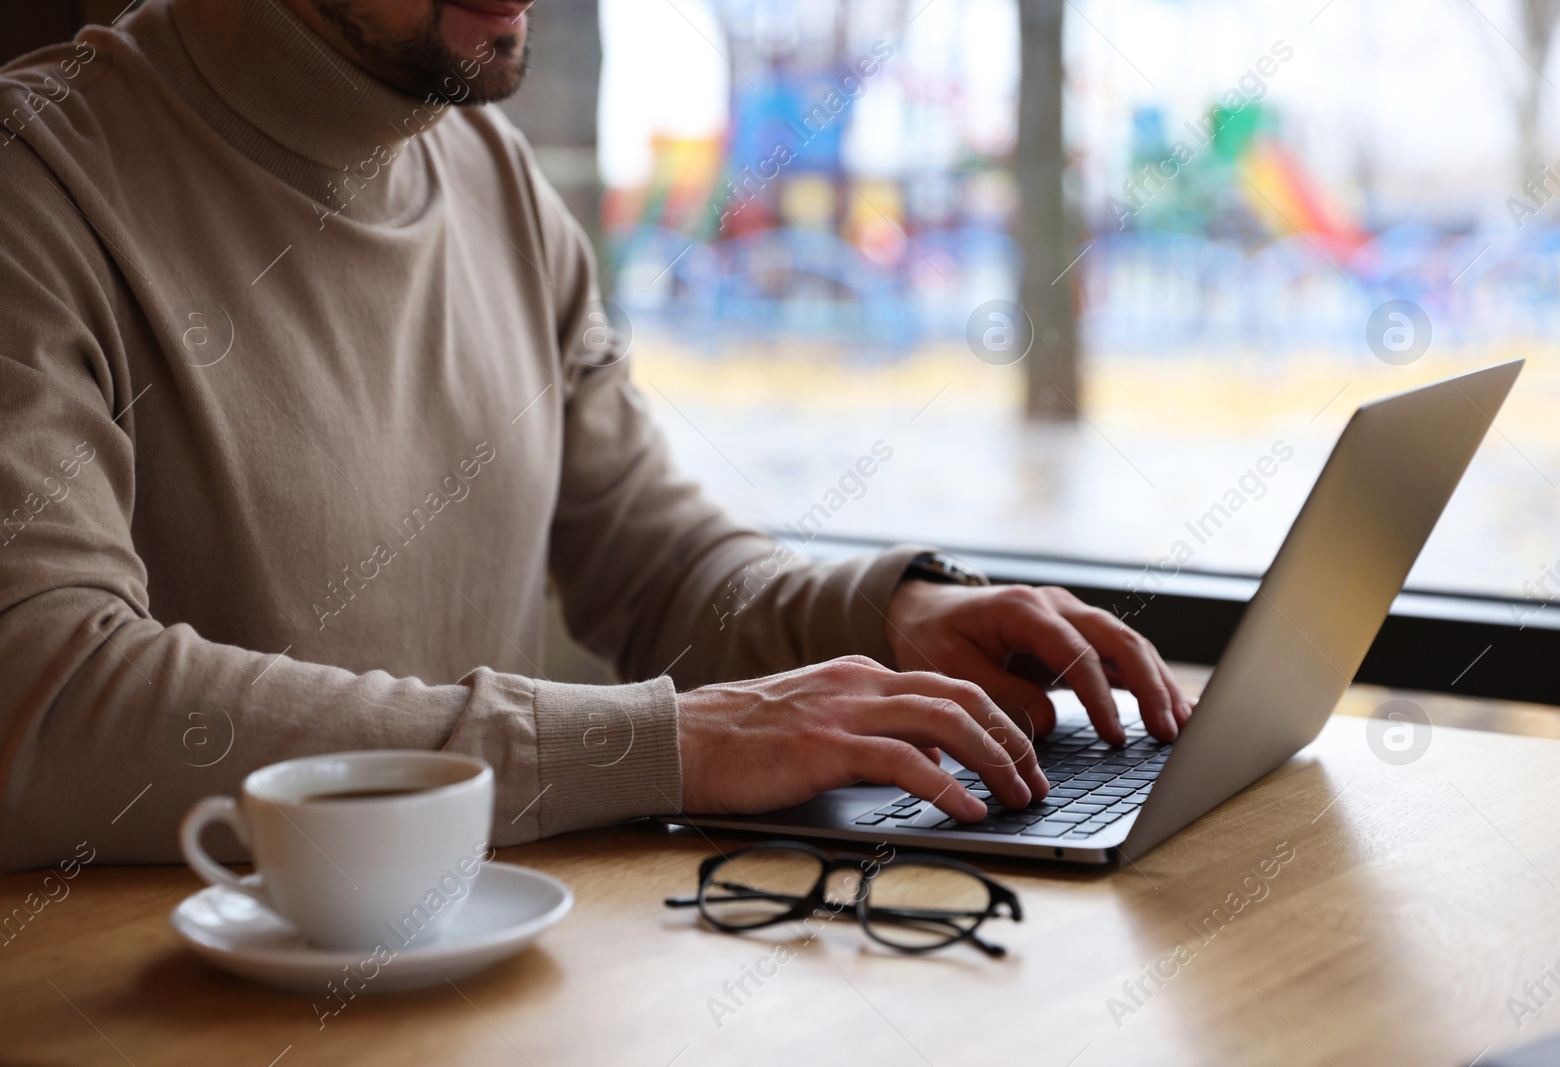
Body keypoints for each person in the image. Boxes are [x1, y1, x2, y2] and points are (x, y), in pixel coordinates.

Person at [0, 0, 1191, 874]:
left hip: (480, 974)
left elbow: (664, 569)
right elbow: (45, 702)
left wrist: (890, 612)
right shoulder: (35, 183)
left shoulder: (497, 180)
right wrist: (657, 745)